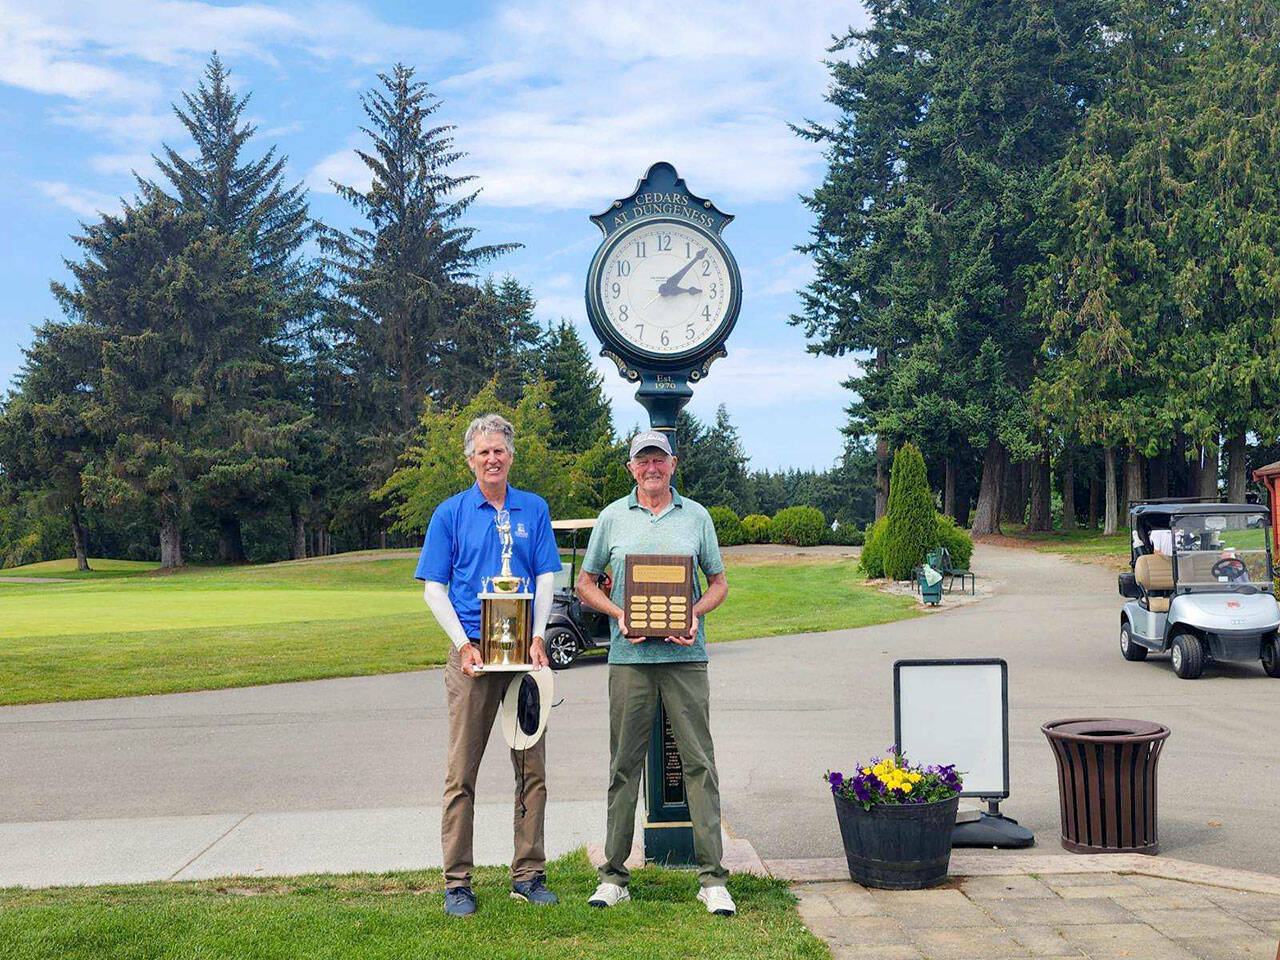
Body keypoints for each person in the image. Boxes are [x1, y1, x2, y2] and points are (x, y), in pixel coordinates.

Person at [574, 429, 736, 917]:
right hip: (630, 661)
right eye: (643, 460)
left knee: (699, 764)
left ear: (673, 464)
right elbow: (585, 583)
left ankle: (712, 879)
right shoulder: (611, 518)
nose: (651, 468)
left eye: (659, 460)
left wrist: (694, 614)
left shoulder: (698, 517)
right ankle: (614, 876)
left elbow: (719, 582)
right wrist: (620, 614)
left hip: (685, 659)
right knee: (623, 766)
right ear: (631, 468)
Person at [415, 413, 562, 917]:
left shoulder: (534, 509)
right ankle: (458, 882)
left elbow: (545, 577)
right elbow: (434, 587)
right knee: (462, 772)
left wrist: (540, 635)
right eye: (483, 452)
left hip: (523, 654)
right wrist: (462, 644)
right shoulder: (450, 513)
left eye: (499, 450)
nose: (492, 458)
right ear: (470, 459)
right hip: (473, 655)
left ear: (510, 455)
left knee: (531, 767)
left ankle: (528, 873)